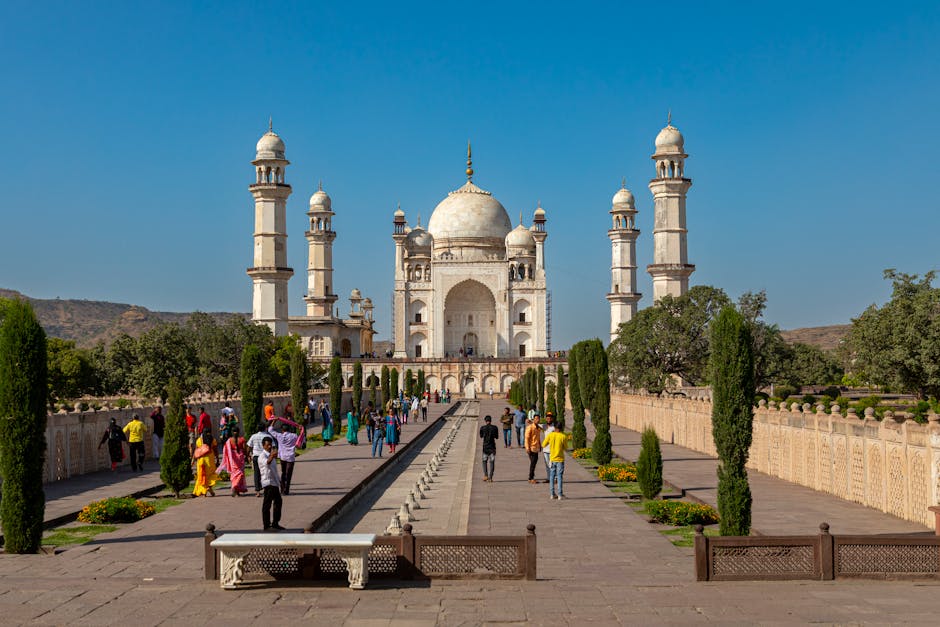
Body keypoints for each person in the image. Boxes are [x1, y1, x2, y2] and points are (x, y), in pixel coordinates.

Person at [258, 436, 285, 531]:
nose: (269, 447)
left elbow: (274, 470)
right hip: (268, 482)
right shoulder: (262, 456)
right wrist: (272, 455)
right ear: (263, 446)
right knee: (267, 504)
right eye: (267, 445)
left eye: (270, 445)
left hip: (274, 482)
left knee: (278, 502)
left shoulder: (271, 455)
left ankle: (275, 523)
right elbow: (267, 462)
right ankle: (266, 525)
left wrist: (280, 482)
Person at [268, 420, 301, 495]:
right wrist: (299, 429)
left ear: (282, 430)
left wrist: (274, 421)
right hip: (290, 457)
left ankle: (282, 489)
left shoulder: (279, 435)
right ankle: (286, 490)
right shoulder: (294, 436)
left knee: (283, 473)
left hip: (282, 457)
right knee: (288, 474)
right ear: (289, 429)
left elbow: (270, 430)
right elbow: (300, 438)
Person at [220, 426, 248, 497]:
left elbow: (225, 450)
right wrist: (247, 457)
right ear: (239, 432)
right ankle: (235, 487)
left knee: (234, 474)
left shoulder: (229, 440)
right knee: (240, 473)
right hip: (240, 458)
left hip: (233, 459)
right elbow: (244, 450)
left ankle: (235, 488)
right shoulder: (242, 439)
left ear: (232, 432)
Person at [541, 424, 568, 500]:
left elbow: (543, 444)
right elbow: (566, 448)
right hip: (560, 459)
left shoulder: (551, 435)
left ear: (555, 428)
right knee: (559, 476)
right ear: (561, 428)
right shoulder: (563, 436)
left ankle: (552, 494)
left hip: (552, 458)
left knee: (552, 476)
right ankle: (560, 494)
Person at [192, 428, 218, 497]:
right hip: (209, 460)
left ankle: (204, 492)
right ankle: (209, 488)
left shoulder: (199, 440)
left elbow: (196, 450)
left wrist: (193, 460)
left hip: (201, 460)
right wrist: (217, 459)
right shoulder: (212, 440)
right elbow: (215, 450)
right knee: (210, 475)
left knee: (202, 475)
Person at [246, 423, 268, 497]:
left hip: (256, 456)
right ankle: (265, 489)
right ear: (265, 428)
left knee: (256, 473)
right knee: (265, 473)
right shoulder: (267, 436)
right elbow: (273, 446)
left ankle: (257, 491)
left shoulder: (253, 436)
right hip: (265, 456)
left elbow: (249, 446)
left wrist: (247, 455)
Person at [479, 415, 499, 482]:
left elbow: (481, 436)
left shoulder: (482, 428)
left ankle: (485, 475)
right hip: (492, 447)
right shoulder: (495, 427)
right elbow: (496, 437)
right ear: (491, 420)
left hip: (485, 447)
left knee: (484, 461)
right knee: (492, 462)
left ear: (485, 421)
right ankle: (490, 477)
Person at [525, 415, 543, 483]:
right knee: (533, 463)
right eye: (536, 419)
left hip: (536, 447)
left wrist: (540, 446)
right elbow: (527, 438)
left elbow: (538, 438)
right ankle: (530, 478)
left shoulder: (538, 428)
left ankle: (531, 477)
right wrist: (527, 448)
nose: (537, 420)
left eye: (538, 419)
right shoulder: (530, 427)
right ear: (533, 419)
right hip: (531, 448)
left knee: (534, 463)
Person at [540, 413, 553, 484]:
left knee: (552, 464)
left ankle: (555, 478)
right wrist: (530, 421)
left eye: (550, 418)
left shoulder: (554, 427)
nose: (549, 420)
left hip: (552, 449)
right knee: (547, 465)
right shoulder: (544, 426)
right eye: (547, 418)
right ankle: (549, 478)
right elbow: (536, 424)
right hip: (545, 449)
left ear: (552, 419)